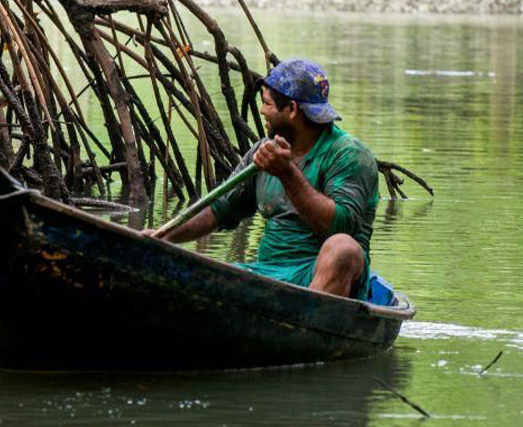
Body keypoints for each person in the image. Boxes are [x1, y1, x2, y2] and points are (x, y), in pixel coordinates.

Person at [155, 58, 379, 299]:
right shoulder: (263, 151)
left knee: (343, 248)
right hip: (266, 272)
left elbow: (339, 226)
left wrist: (287, 173)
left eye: (267, 103)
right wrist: (161, 237)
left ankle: (305, 324)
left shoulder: (350, 154)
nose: (261, 111)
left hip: (317, 274)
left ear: (292, 110)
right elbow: (218, 210)